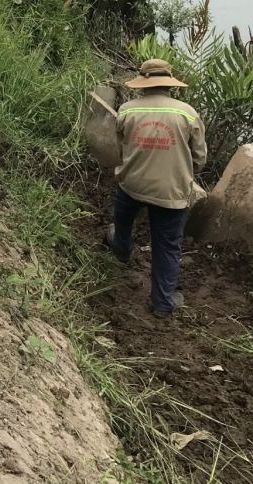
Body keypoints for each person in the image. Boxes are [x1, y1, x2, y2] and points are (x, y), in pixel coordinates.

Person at [106, 59, 207, 318]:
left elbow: (121, 150)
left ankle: (122, 247)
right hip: (171, 193)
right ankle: (163, 303)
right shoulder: (188, 113)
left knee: (123, 215)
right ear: (169, 85)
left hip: (132, 185)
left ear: (144, 84)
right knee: (168, 244)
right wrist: (182, 172)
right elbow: (199, 159)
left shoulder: (127, 111)